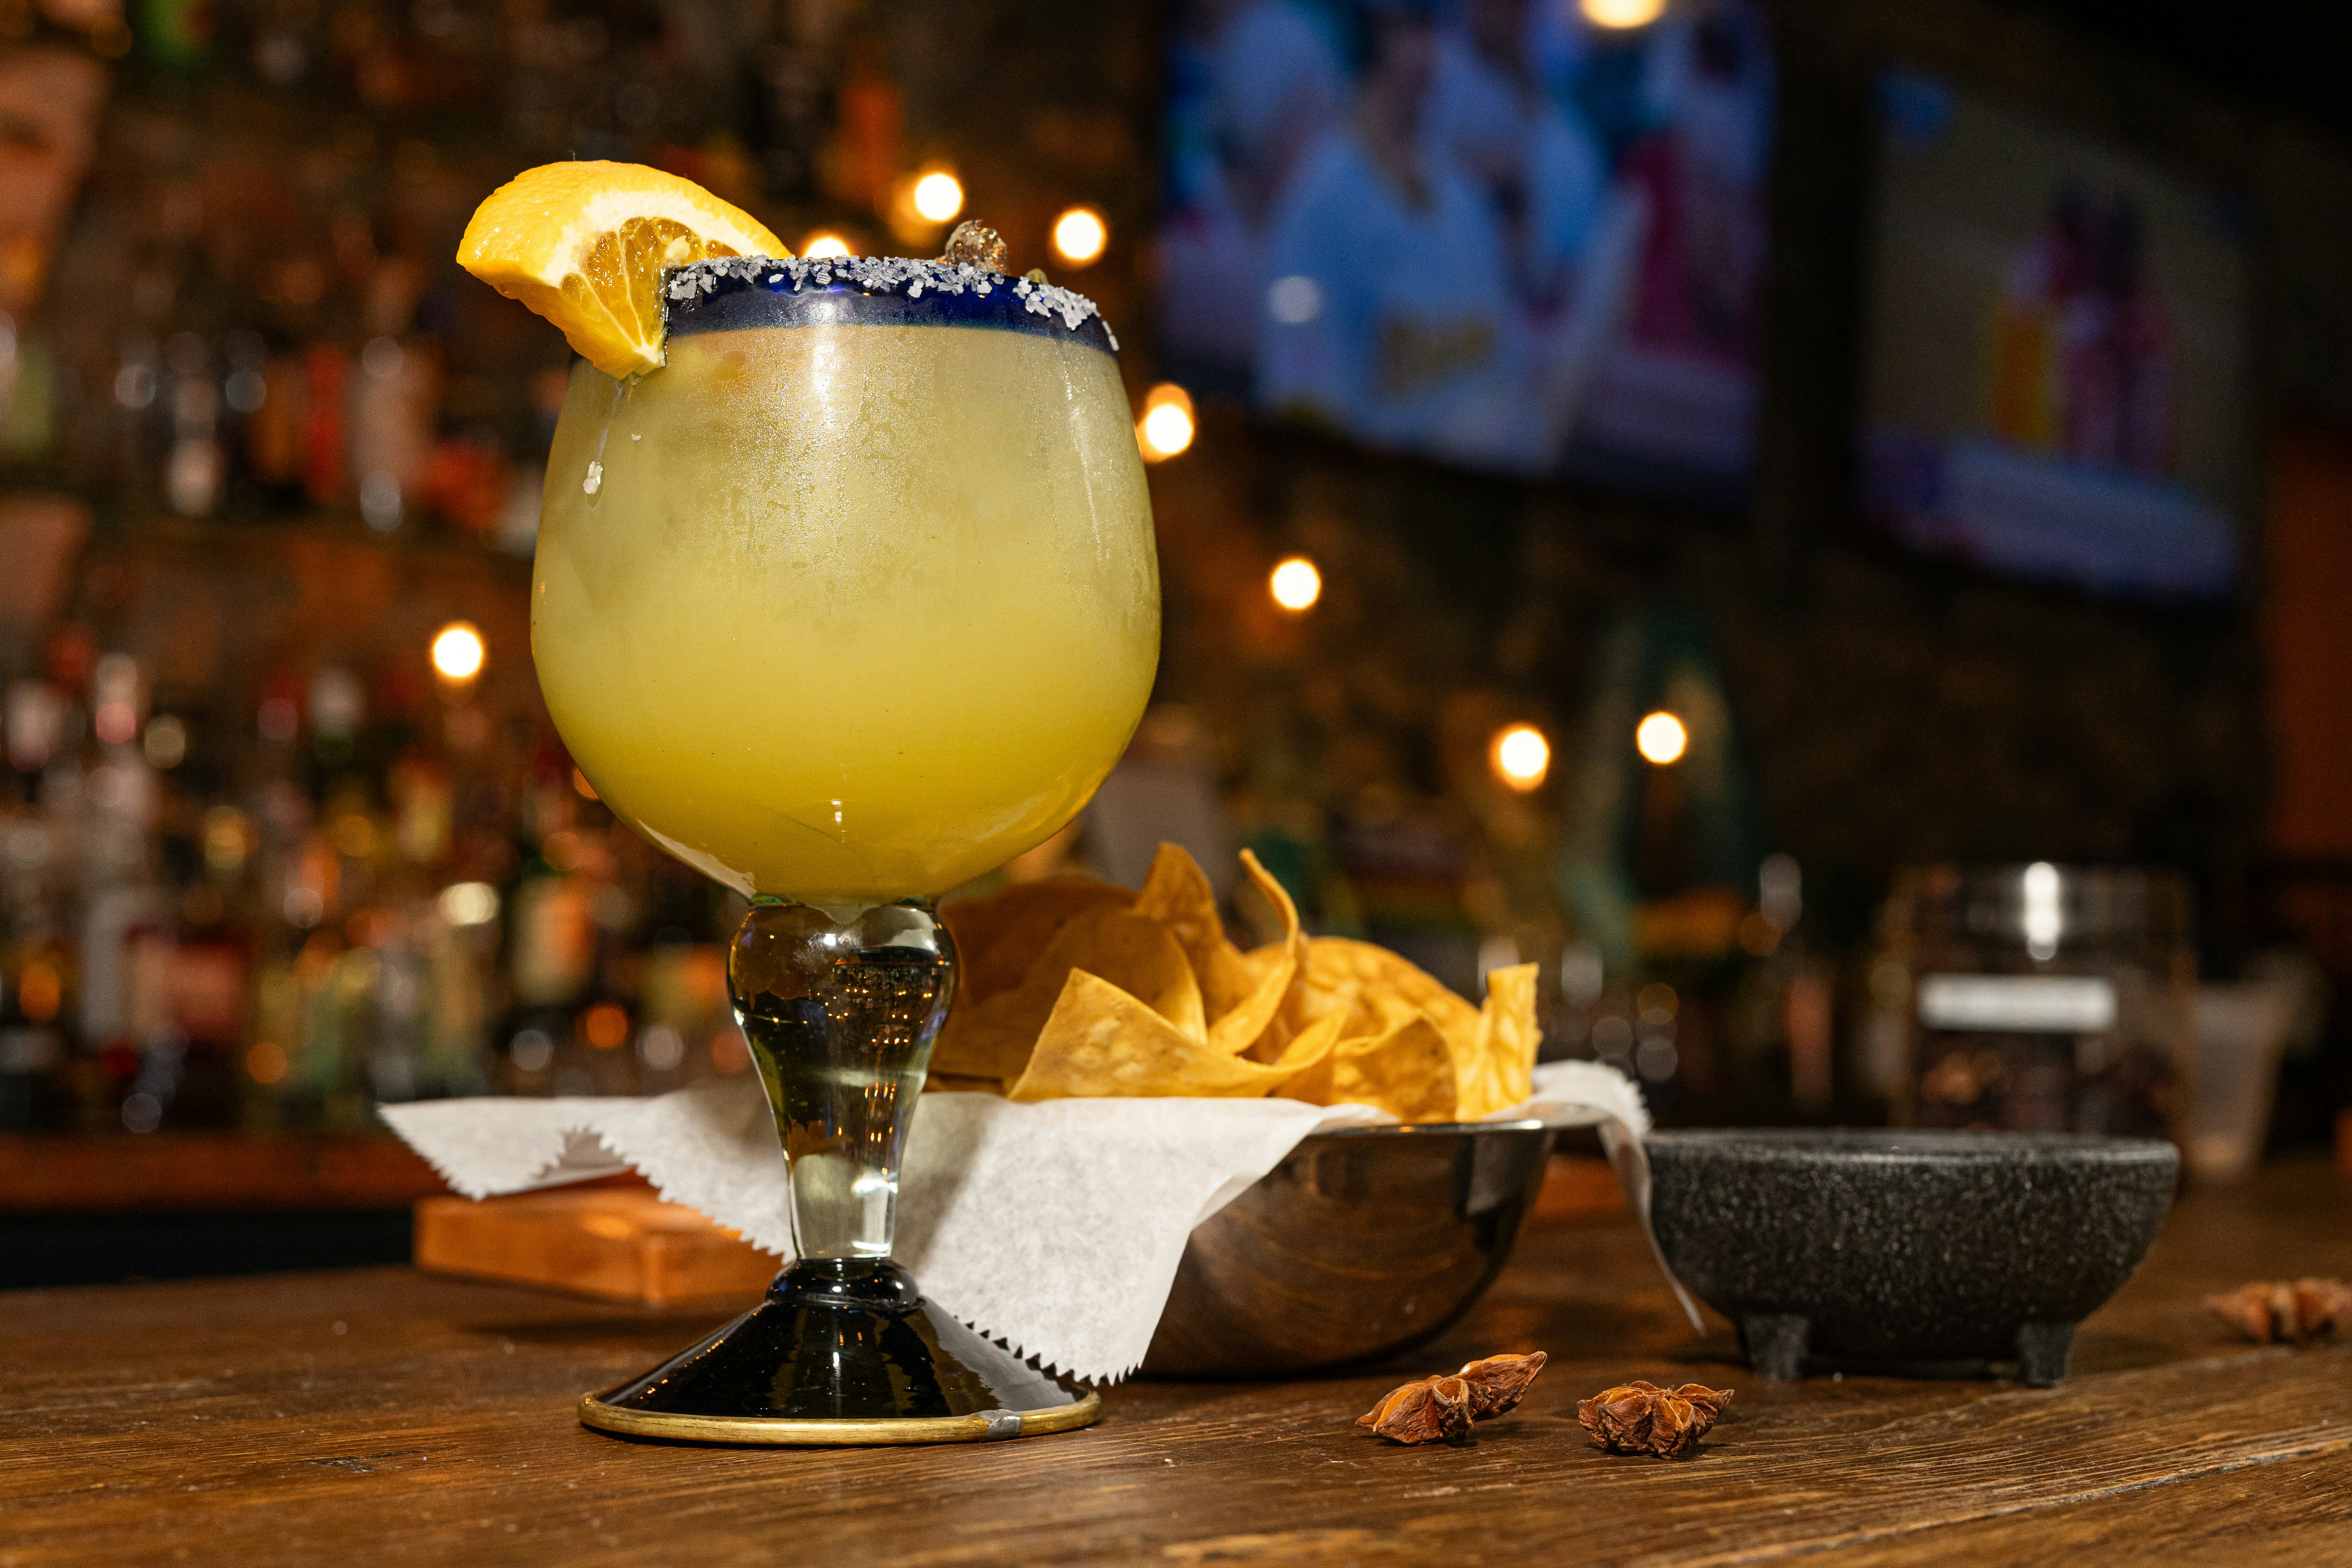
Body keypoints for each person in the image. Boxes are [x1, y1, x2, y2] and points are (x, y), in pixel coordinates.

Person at [1255, 2, 1535, 468]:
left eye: (1430, 30)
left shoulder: (1461, 198)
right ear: (1371, 41)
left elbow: (1503, 369)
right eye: (1406, 31)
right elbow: (1303, 399)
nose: (1426, 54)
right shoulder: (1319, 205)